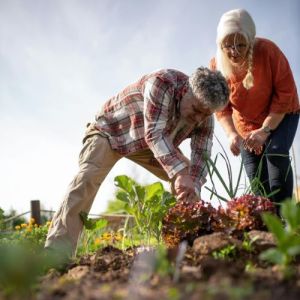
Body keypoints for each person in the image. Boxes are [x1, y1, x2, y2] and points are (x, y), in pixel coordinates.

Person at [45, 67, 229, 255]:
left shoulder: (205, 115)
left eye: (205, 114)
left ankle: (185, 246)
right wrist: (180, 173)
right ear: (185, 91)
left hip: (149, 146)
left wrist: (193, 185)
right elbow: (155, 134)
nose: (198, 118)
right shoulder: (162, 83)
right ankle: (57, 253)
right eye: (196, 109)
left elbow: (202, 155)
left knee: (189, 182)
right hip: (112, 132)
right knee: (88, 177)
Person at [210, 9, 299, 214]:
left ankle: (287, 220)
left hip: (282, 113)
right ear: (220, 44)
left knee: (275, 153)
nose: (234, 51)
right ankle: (267, 229)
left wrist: (264, 131)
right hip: (246, 125)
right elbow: (221, 107)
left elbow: (285, 95)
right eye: (228, 45)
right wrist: (232, 134)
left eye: (240, 44)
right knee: (256, 177)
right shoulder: (216, 66)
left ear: (250, 40)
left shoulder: (268, 51)